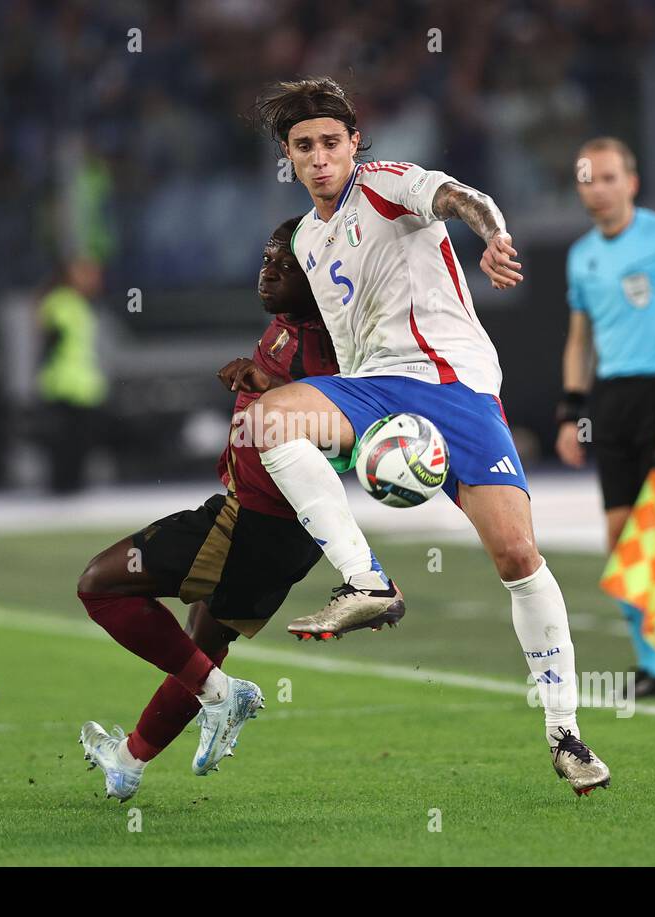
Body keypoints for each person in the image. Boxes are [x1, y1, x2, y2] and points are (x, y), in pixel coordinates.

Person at [245, 77, 609, 796]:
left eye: (330, 142)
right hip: (378, 390)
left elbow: (459, 198)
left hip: (451, 384)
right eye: (303, 147)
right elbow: (340, 336)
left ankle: (565, 732)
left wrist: (494, 233)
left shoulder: (385, 185)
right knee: (273, 418)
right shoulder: (308, 240)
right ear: (287, 157)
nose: (319, 158)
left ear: (354, 143)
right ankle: (367, 581)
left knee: (517, 555)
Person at [75, 217, 339, 800]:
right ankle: (129, 761)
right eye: (266, 258)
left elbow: (337, 424)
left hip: (253, 522)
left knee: (99, 585)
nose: (267, 270)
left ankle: (223, 695)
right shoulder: (285, 328)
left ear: (317, 275)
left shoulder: (329, 341)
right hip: (285, 531)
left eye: (283, 264)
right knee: (200, 650)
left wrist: (268, 388)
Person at [558, 138, 655, 697]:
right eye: (586, 179)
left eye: (607, 178)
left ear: (632, 182)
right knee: (620, 534)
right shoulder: (581, 255)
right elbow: (580, 341)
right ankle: (652, 664)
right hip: (612, 399)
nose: (596, 190)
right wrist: (571, 411)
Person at [33, 257, 110, 492]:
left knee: (76, 444)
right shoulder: (61, 303)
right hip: (65, 384)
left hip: (79, 385)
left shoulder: (76, 304)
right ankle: (65, 489)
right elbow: (51, 340)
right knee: (66, 443)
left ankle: (70, 488)